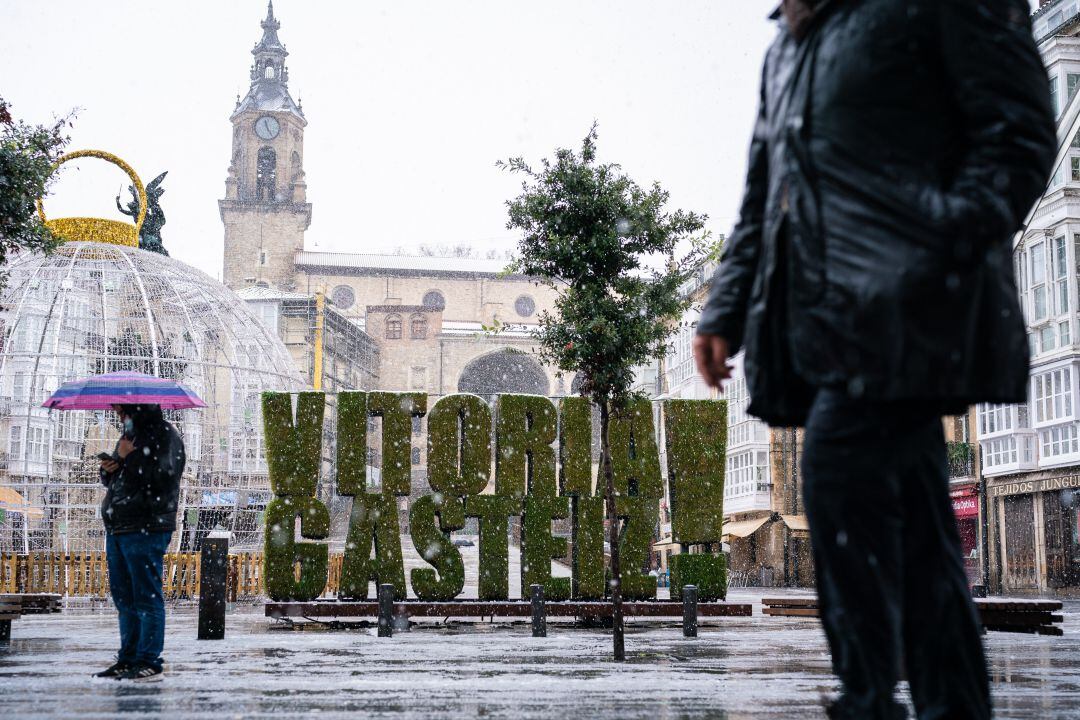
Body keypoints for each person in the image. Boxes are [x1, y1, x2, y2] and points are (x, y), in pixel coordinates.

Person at [694, 1, 1056, 718]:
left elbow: (1017, 133)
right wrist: (726, 306)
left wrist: (938, 239)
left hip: (909, 307)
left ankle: (866, 699)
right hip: (820, 318)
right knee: (922, 535)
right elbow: (768, 194)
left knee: (832, 469)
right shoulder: (790, 44)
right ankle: (950, 705)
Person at [95, 404, 185, 681]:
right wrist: (110, 469)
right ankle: (128, 657)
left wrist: (127, 460)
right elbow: (117, 480)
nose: (118, 414)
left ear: (139, 408)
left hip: (146, 525)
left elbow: (161, 479)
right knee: (124, 598)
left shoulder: (166, 436)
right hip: (119, 525)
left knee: (145, 596)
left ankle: (148, 659)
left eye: (122, 410)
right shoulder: (129, 436)